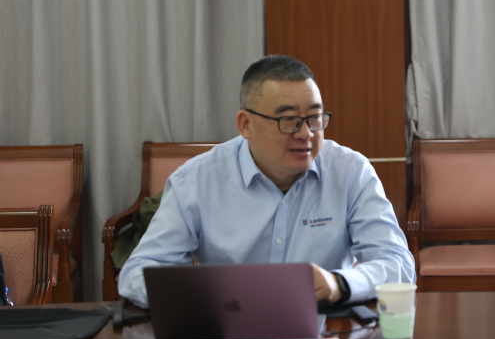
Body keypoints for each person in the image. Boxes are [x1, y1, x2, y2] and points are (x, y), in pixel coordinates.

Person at [118, 55, 415, 308]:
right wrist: (208, 293)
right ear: (245, 124)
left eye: (314, 118)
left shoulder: (350, 172)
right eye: (289, 120)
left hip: (325, 327)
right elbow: (137, 275)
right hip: (227, 326)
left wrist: (339, 283)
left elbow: (398, 263)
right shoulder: (196, 181)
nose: (306, 134)